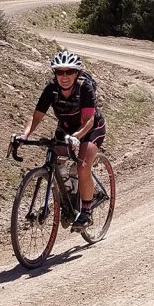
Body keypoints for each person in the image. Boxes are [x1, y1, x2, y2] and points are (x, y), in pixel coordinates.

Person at [19, 50, 106, 229]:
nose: (64, 76)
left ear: (77, 73)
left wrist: (76, 137)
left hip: (90, 128)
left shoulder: (84, 88)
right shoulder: (51, 88)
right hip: (66, 127)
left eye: (69, 72)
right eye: (59, 72)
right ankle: (70, 197)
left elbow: (88, 121)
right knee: (54, 161)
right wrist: (24, 135)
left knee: (83, 166)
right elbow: (36, 116)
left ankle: (87, 211)